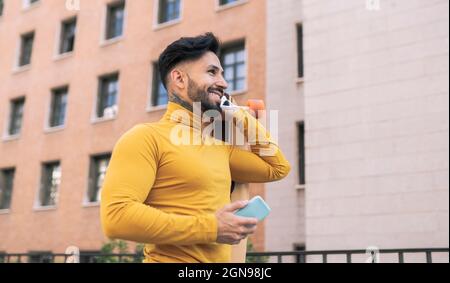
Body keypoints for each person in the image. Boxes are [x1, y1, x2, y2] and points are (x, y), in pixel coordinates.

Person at [100, 32, 291, 263]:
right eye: (212, 72)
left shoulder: (219, 146)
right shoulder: (144, 138)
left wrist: (240, 118)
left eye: (222, 73)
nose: (223, 82)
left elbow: (278, 168)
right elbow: (116, 217)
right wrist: (212, 227)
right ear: (179, 79)